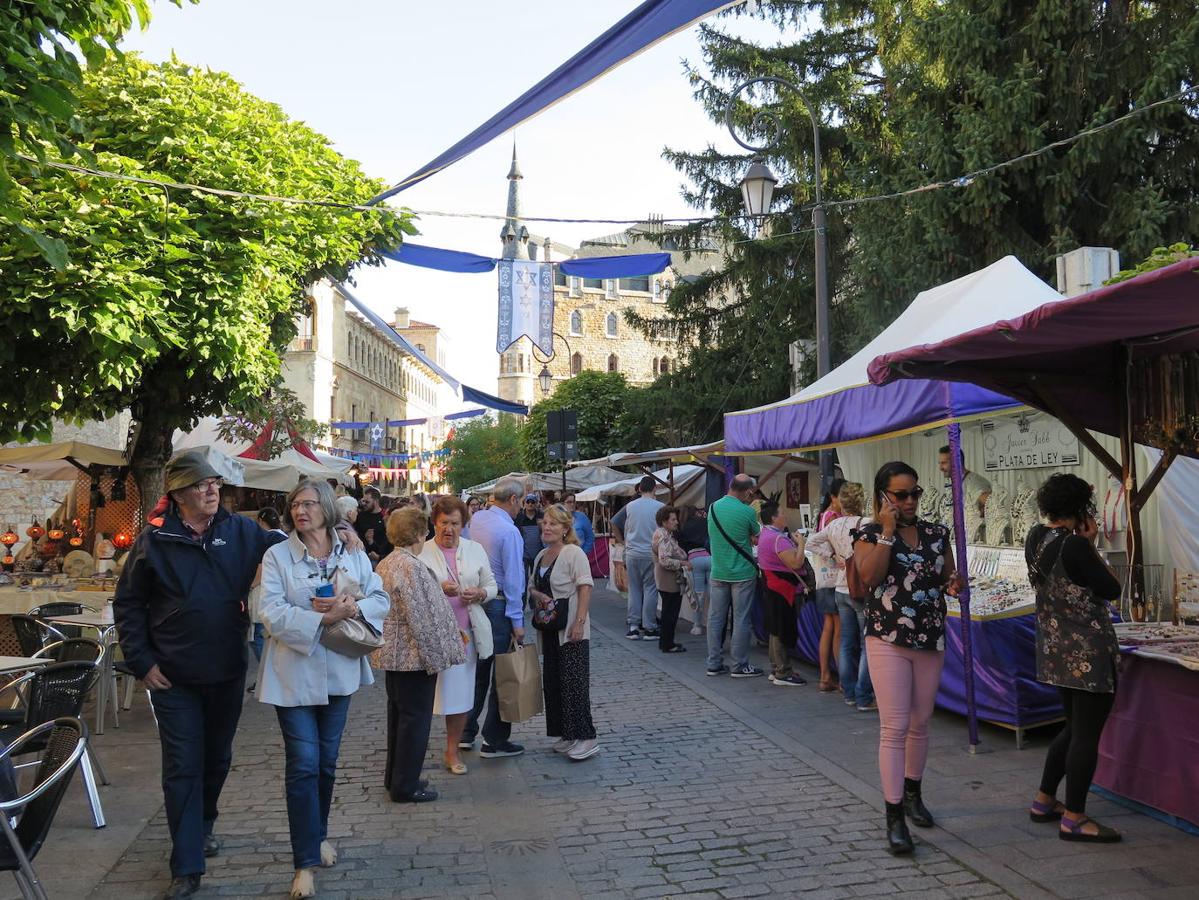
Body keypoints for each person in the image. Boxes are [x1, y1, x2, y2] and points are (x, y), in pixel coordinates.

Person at [115, 449, 287, 900]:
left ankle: (204, 824)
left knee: (217, 758)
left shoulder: (242, 531)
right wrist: (141, 660)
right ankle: (186, 864)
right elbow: (129, 603)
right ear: (178, 493)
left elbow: (292, 549)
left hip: (227, 669)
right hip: (172, 676)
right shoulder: (154, 540)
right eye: (201, 484)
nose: (212, 490)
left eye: (215, 483)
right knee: (182, 766)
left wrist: (338, 532)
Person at [256, 480, 388, 899]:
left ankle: (318, 837)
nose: (300, 510)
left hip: (338, 672)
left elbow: (379, 596)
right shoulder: (277, 555)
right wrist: (321, 621)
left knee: (327, 763)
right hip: (292, 673)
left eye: (309, 503)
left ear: (327, 508)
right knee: (304, 764)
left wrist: (353, 609)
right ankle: (303, 864)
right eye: (295, 504)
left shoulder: (350, 551)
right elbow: (269, 611)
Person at [854, 461, 960, 855]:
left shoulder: (936, 532)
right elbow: (869, 578)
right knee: (894, 726)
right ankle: (894, 814)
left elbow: (947, 575)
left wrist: (953, 583)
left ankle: (914, 792)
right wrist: (885, 532)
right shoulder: (868, 534)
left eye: (915, 492)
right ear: (883, 497)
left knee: (921, 722)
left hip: (929, 636)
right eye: (901, 494)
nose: (911, 500)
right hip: (887, 637)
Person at [1025, 474, 1123, 843]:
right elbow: (1111, 588)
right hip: (1088, 649)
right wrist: (1091, 543)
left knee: (1072, 727)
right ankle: (1076, 817)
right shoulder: (1075, 546)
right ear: (1080, 508)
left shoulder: (1036, 537)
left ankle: (1044, 798)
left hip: (1056, 649)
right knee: (1085, 734)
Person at [373, 507, 465, 803]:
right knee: (414, 720)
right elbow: (422, 617)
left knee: (400, 717)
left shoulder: (389, 562)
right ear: (418, 533)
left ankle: (397, 777)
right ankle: (405, 785)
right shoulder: (410, 566)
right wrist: (437, 656)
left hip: (396, 654)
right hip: (412, 656)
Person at [419, 496, 497, 776]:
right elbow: (412, 590)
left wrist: (480, 593)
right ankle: (414, 750)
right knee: (425, 695)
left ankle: (452, 749)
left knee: (461, 695)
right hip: (431, 636)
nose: (449, 529)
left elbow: (491, 585)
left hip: (466, 633)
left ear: (464, 524)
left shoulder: (475, 549)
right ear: (434, 523)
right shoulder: (421, 551)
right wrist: (438, 587)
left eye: (455, 523)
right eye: (443, 523)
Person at [461, 477, 527, 758]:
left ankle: (464, 730)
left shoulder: (474, 522)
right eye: (521, 501)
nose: (521, 507)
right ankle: (495, 739)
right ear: (513, 500)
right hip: (498, 605)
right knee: (503, 674)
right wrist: (518, 621)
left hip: (475, 603)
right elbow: (514, 580)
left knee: (476, 671)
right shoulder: (508, 531)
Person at [530, 505, 599, 760]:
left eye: (554, 524)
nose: (547, 527)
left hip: (570, 628)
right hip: (549, 628)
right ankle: (568, 733)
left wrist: (579, 622)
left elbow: (585, 587)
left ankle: (587, 736)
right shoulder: (541, 556)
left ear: (565, 529)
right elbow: (532, 586)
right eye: (545, 522)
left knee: (574, 682)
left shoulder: (573, 553)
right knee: (555, 681)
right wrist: (538, 595)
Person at [807, 483, 875, 710]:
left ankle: (849, 692)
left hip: (840, 588)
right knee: (866, 644)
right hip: (861, 590)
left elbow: (811, 542)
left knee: (846, 642)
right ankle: (864, 695)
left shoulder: (834, 524)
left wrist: (833, 554)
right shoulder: (866, 524)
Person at [706, 474, 764, 679]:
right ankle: (739, 665)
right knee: (741, 619)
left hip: (718, 570)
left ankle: (713, 663)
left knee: (715, 619)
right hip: (742, 573)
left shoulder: (712, 508)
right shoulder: (747, 511)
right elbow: (758, 537)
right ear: (748, 491)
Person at [756, 501, 808, 686]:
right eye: (782, 513)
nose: (785, 515)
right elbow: (796, 563)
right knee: (781, 628)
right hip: (782, 588)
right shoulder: (777, 538)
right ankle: (782, 671)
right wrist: (800, 543)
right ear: (773, 518)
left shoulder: (767, 535)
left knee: (775, 628)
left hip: (774, 586)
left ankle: (777, 667)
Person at [610, 476, 664, 640]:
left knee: (633, 589)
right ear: (654, 489)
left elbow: (615, 522)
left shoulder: (630, 506)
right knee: (650, 589)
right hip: (650, 553)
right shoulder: (660, 507)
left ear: (639, 489)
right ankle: (649, 627)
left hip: (632, 553)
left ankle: (633, 626)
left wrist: (624, 542)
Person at [247, 508, 288, 688]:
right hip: (278, 589)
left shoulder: (268, 538)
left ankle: (270, 675)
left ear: (262, 521)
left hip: (263, 590)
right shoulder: (283, 537)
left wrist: (249, 586)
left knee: (259, 634)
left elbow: (262, 567)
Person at [814, 479, 846, 691]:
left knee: (830, 627)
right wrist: (835, 555)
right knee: (836, 629)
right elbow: (821, 544)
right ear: (834, 497)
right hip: (832, 578)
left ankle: (827, 676)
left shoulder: (828, 515)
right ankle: (838, 678)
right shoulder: (831, 516)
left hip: (827, 578)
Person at [651, 506, 690, 654]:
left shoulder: (664, 534)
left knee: (669, 611)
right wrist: (682, 563)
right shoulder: (664, 537)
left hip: (665, 578)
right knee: (670, 612)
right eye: (673, 519)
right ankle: (668, 644)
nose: (676, 522)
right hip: (668, 579)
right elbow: (665, 560)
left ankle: (666, 642)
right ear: (664, 521)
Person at [938, 445, 992, 531]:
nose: (940, 468)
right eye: (939, 463)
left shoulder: (974, 483)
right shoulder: (955, 483)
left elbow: (992, 504)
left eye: (944, 463)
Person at [677, 505, 711, 636]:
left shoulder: (682, 527)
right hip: (709, 557)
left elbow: (681, 548)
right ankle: (713, 622)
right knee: (713, 593)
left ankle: (697, 625)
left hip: (693, 560)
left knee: (699, 594)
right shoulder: (704, 522)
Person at [356, 486, 392, 565]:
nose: (364, 504)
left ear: (376, 501)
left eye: (367, 502)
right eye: (363, 501)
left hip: (377, 558)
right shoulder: (360, 515)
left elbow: (387, 543)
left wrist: (372, 543)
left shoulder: (384, 517)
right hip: (361, 556)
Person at [514, 493, 545, 578]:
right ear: (524, 503)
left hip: (539, 552)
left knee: (537, 577)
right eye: (528, 502)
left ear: (536, 503)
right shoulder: (519, 517)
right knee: (524, 577)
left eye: (533, 502)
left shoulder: (542, 516)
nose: (530, 504)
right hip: (524, 554)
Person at [562, 492, 596, 556]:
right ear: (562, 504)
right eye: (569, 502)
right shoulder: (557, 518)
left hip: (580, 555)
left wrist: (583, 553)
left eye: (574, 502)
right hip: (562, 556)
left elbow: (590, 537)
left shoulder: (582, 516)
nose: (572, 504)